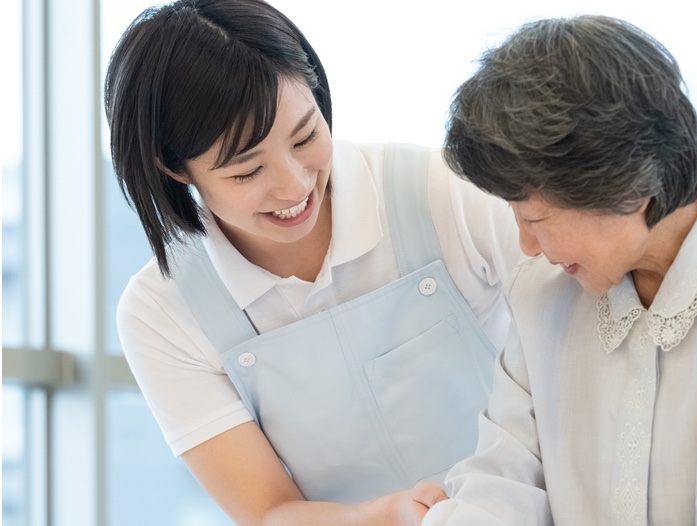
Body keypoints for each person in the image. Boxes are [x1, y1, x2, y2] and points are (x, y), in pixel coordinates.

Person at [422, 15, 697, 525]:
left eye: (535, 219)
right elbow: (496, 490)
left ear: (627, 185)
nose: (527, 246)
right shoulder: (542, 298)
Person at [105, 0, 522, 524]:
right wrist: (388, 515)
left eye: (305, 137)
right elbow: (268, 511)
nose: (295, 185)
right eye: (246, 171)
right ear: (175, 168)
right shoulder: (162, 312)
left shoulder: (441, 191)